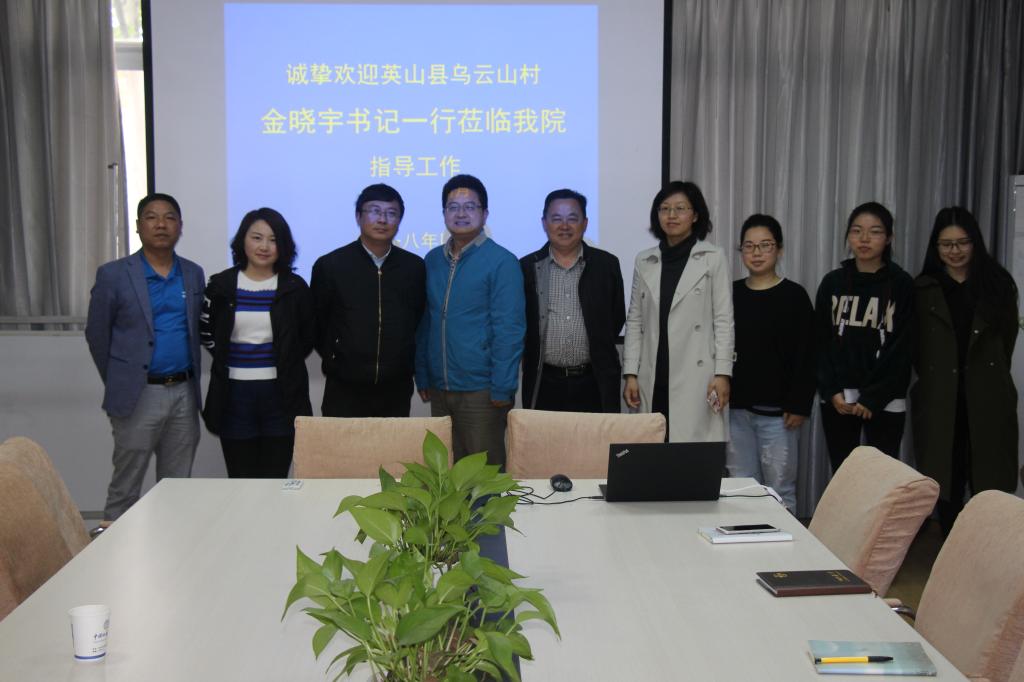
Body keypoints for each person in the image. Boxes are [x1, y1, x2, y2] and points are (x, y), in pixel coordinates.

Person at [85, 193, 205, 528]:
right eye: (152, 217)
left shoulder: (193, 273)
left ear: (180, 226)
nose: (161, 224)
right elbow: (97, 335)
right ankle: (112, 548)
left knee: (177, 485)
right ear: (138, 226)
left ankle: (171, 543)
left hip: (183, 392)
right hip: (139, 395)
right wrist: (122, 379)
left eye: (169, 217)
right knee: (126, 484)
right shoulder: (113, 275)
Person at [911, 206, 1019, 534]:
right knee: (946, 478)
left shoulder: (998, 284)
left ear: (976, 243)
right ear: (936, 246)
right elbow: (916, 348)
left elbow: (1006, 342)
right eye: (946, 244)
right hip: (940, 399)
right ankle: (951, 543)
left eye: (962, 243)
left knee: (989, 477)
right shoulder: (923, 288)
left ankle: (988, 546)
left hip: (987, 395)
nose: (954, 251)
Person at [416, 174, 526, 466]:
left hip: (482, 390)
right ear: (444, 213)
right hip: (440, 388)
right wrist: (423, 373)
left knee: (482, 474)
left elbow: (509, 329)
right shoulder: (432, 260)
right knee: (443, 471)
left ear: (485, 213)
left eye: (470, 206)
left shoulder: (502, 262)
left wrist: (503, 386)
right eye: (453, 207)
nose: (461, 213)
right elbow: (426, 321)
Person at [199, 208, 314, 478]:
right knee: (241, 479)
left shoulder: (294, 288)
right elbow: (207, 332)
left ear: (283, 246)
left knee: (275, 479)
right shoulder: (221, 286)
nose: (264, 246)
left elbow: (307, 336)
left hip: (281, 396)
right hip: (234, 396)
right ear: (242, 240)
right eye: (257, 237)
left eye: (273, 240)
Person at [622, 180, 734, 442]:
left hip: (697, 375)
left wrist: (722, 373)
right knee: (652, 448)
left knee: (691, 452)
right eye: (664, 208)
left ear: (695, 215)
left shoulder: (713, 257)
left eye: (680, 208)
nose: (671, 215)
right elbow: (635, 320)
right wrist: (631, 373)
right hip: (653, 373)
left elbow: (723, 320)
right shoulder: (644, 260)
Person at [310, 184, 425, 417]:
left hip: (396, 387)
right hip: (344, 386)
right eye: (374, 211)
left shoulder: (414, 267)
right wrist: (336, 357)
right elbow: (316, 323)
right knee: (342, 442)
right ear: (358, 216)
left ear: (399, 220)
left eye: (391, 213)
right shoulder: (331, 265)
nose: (382, 219)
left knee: (393, 442)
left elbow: (418, 320)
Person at [815, 202, 914, 473]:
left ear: (889, 238)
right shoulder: (832, 283)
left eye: (875, 231)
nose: (865, 238)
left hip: (885, 400)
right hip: (839, 399)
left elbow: (903, 348)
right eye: (857, 231)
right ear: (848, 236)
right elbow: (821, 342)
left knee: (882, 476)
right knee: (844, 474)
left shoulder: (902, 284)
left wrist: (872, 397)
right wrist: (831, 391)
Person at [726, 214, 815, 512]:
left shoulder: (794, 295)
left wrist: (799, 404)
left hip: (779, 415)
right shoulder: (730, 293)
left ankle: (783, 544)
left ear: (779, 249)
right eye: (749, 246)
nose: (757, 253)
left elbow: (807, 355)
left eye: (765, 245)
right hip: (736, 411)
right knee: (740, 486)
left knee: (780, 489)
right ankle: (744, 539)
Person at [520, 189, 625, 413]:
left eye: (572, 218)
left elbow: (616, 317)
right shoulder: (527, 267)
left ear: (585, 223)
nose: (564, 226)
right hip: (544, 381)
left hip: (595, 380)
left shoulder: (606, 265)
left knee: (597, 436)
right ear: (544, 223)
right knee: (543, 436)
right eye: (556, 218)